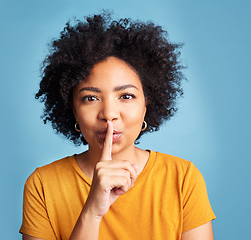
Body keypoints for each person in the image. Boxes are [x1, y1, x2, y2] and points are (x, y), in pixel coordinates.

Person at [20, 12, 216, 240]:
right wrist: (92, 212)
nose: (109, 114)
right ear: (73, 110)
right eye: (90, 98)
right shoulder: (43, 185)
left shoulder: (182, 178)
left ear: (146, 105)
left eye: (126, 96)